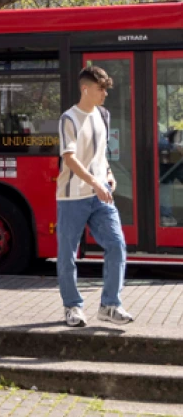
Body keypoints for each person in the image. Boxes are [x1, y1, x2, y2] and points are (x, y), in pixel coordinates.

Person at [57, 65, 134, 327]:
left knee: (116, 245)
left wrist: (108, 174)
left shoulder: (103, 114)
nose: (105, 94)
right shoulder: (69, 118)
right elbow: (70, 158)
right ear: (85, 89)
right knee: (67, 254)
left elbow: (100, 155)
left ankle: (110, 305)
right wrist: (94, 182)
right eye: (101, 89)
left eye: (106, 89)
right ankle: (73, 307)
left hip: (101, 194)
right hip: (72, 197)